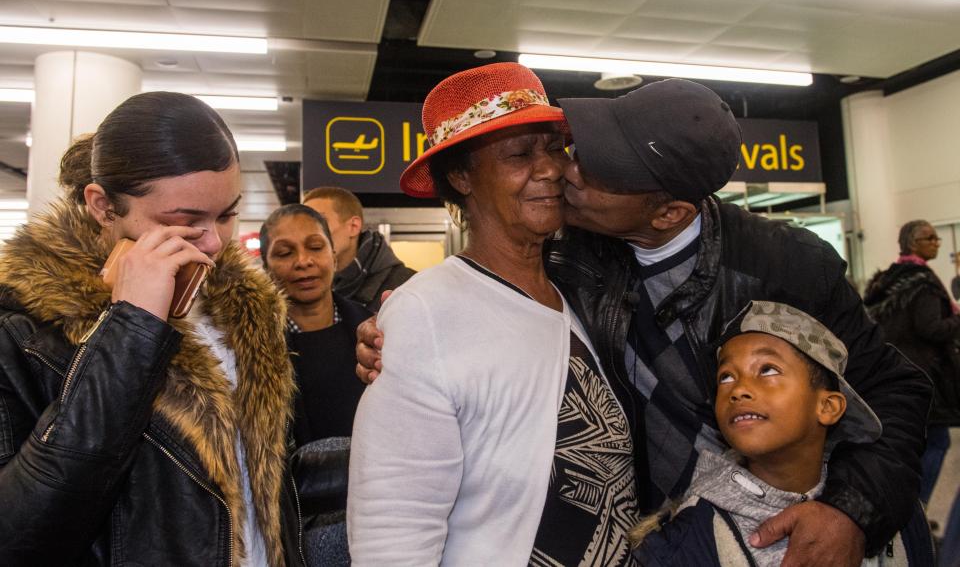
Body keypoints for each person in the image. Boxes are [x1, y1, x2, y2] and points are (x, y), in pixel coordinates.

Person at [357, 77, 931, 566]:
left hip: (789, 535)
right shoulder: (567, 260)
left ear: (669, 212)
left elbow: (895, 390)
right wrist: (404, 344)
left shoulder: (786, 265)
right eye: (573, 149)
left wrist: (849, 513)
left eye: (583, 163)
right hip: (668, 543)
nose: (564, 172)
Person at [348, 62, 638, 565]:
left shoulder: (577, 291)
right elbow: (391, 532)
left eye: (554, 147)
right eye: (520, 154)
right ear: (461, 176)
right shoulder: (426, 313)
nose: (550, 169)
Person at [0, 92, 304, 566]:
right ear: (103, 207)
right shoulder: (23, 328)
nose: (213, 242)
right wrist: (130, 328)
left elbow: (257, 478)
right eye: (184, 222)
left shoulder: (242, 307)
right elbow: (21, 533)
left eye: (226, 214)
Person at [631, 301, 933, 566]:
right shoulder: (688, 539)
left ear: (827, 406)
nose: (738, 389)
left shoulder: (891, 511)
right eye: (725, 376)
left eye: (767, 370)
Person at [864, 220, 960, 506]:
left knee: (911, 441)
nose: (936, 242)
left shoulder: (888, 279)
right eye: (929, 238)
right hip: (926, 377)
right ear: (912, 243)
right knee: (936, 441)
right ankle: (917, 506)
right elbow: (931, 328)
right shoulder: (923, 283)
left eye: (936, 237)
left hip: (894, 373)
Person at [259, 203, 371, 445]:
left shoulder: (373, 332)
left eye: (315, 247)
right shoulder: (249, 349)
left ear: (333, 256)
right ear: (266, 267)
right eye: (285, 253)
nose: (303, 261)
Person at [303, 187, 415, 311]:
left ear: (353, 226)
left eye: (320, 222)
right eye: (304, 225)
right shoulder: (306, 285)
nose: (308, 233)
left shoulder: (408, 286)